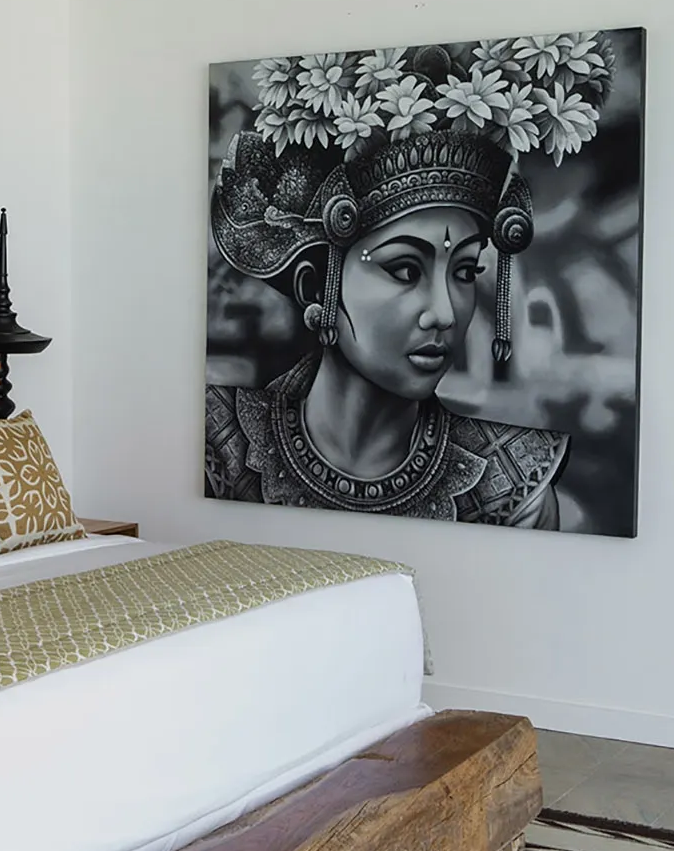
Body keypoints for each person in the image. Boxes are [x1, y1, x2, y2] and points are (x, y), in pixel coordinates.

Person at [205, 38, 609, 528]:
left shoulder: (512, 485)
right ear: (314, 288)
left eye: (465, 271)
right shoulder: (216, 440)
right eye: (404, 270)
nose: (445, 312)